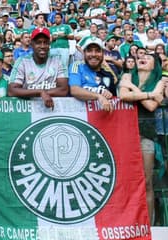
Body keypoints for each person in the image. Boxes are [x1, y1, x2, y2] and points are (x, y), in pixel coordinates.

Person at [119, 53, 164, 224]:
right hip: (125, 135)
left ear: (155, 65)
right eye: (141, 55)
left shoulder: (160, 81)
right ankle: (126, 222)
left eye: (148, 56)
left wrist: (133, 88)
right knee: (126, 180)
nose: (142, 57)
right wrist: (149, 94)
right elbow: (123, 96)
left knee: (146, 182)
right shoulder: (127, 75)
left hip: (147, 135)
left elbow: (152, 106)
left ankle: (149, 225)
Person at [8, 27, 68, 109]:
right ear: (32, 44)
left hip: (53, 108)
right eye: (38, 43)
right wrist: (40, 92)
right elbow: (12, 90)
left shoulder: (58, 59)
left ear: (49, 44)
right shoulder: (22, 61)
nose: (42, 46)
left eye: (45, 42)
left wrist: (43, 93)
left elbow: (63, 90)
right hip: (28, 109)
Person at [69, 36, 118, 112]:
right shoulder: (76, 66)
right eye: (89, 51)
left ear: (103, 53)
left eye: (97, 51)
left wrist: (110, 96)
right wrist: (98, 96)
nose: (94, 54)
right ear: (84, 53)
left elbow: (115, 100)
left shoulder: (108, 74)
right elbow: (75, 90)